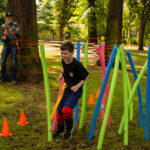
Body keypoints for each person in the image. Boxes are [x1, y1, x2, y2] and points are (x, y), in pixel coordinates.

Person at [54, 41, 90, 139]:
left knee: (66, 110)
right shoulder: (63, 61)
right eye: (62, 53)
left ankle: (69, 128)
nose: (63, 55)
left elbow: (87, 76)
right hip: (67, 89)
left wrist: (77, 86)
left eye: (65, 53)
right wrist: (62, 74)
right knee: (59, 110)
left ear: (72, 53)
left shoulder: (77, 64)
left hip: (75, 91)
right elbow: (66, 70)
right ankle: (60, 129)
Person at [0, 12, 20, 84]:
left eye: (10, 17)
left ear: (12, 18)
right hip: (6, 45)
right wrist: (4, 38)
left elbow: (19, 35)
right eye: (8, 17)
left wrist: (17, 32)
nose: (9, 18)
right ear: (6, 18)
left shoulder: (16, 25)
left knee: (14, 63)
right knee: (2, 61)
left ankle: (14, 79)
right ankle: (3, 77)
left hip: (14, 46)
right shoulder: (3, 26)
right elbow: (1, 36)